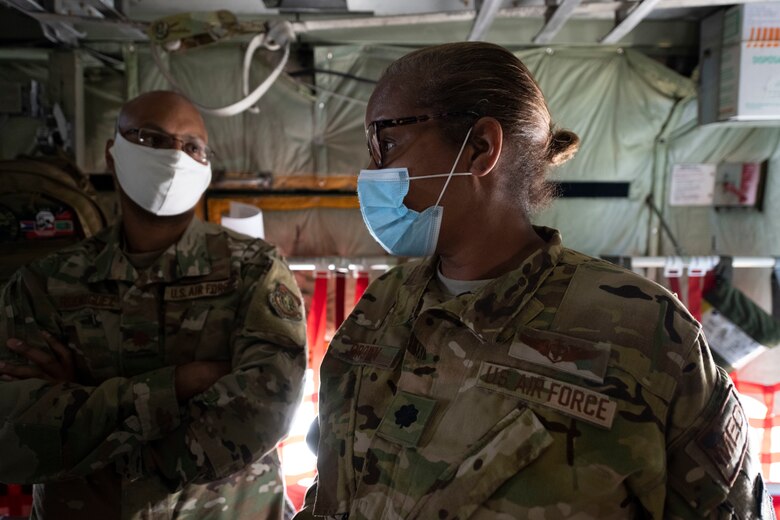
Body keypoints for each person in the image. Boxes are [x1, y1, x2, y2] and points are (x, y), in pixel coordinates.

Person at [296, 42, 774, 519]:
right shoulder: (384, 304)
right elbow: (335, 483)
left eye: (387, 142)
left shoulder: (645, 331)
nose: (372, 170)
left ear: (480, 146)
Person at [0, 91, 306, 519]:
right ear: (113, 153)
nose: (176, 156)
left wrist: (87, 407)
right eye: (153, 139)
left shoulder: (252, 270)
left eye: (192, 147)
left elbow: (262, 409)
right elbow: (13, 436)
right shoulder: (44, 284)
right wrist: (179, 384)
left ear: (206, 167)